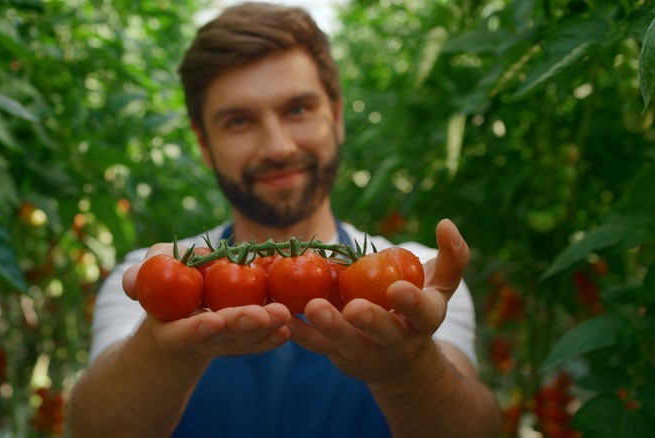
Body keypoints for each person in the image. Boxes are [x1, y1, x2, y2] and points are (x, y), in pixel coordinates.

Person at [68, 2, 500, 436]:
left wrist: (409, 369)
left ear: (335, 117)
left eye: (296, 110)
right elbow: (89, 428)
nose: (277, 146)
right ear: (203, 143)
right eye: (239, 121)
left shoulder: (414, 281)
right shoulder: (145, 280)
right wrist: (163, 348)